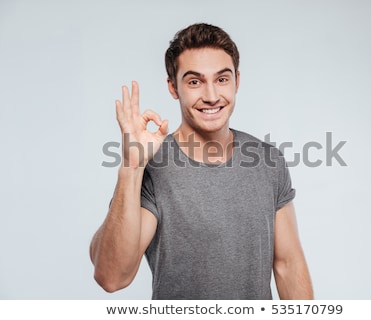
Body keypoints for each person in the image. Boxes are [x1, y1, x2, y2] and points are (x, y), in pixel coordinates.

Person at [90, 23, 313, 300]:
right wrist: (132, 166)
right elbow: (112, 276)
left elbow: (288, 265)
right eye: (194, 81)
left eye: (222, 79)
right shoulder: (154, 167)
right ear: (173, 87)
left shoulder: (269, 161)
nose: (211, 96)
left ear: (237, 82)